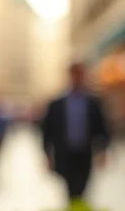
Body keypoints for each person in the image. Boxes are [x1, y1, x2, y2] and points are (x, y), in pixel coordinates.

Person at [41, 62, 110, 201]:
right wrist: (47, 155)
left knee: (83, 187)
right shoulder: (57, 104)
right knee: (70, 188)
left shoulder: (93, 102)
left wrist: (102, 150)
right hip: (65, 153)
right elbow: (47, 131)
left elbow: (101, 127)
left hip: (85, 152)